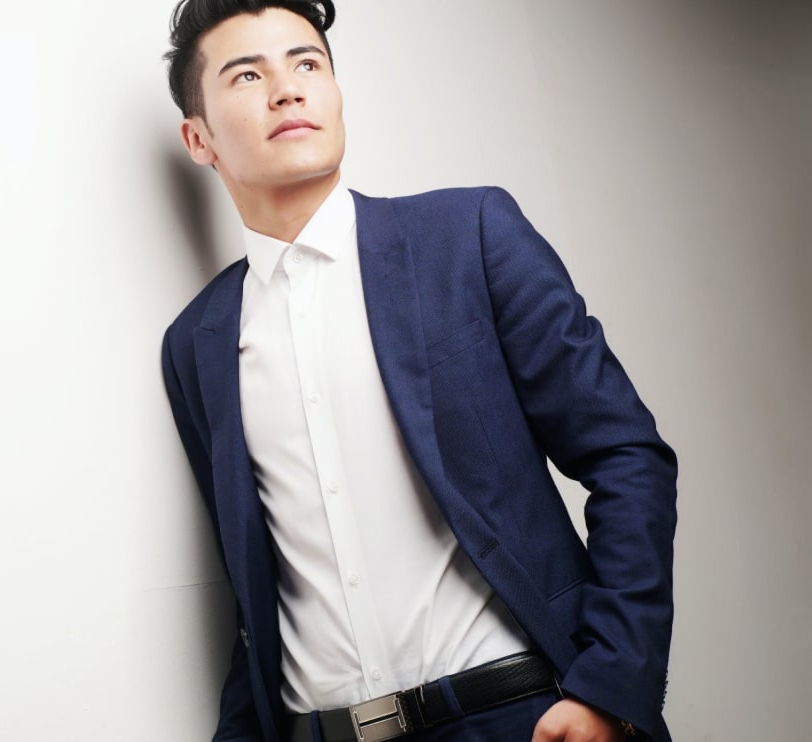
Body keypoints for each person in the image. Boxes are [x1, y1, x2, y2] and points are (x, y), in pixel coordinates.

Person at [159, 2, 678, 740]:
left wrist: (609, 687)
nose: (287, 89)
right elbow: (255, 593)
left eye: (308, 63)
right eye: (248, 75)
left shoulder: (467, 237)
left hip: (520, 715)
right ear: (199, 139)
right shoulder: (196, 343)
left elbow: (626, 456)